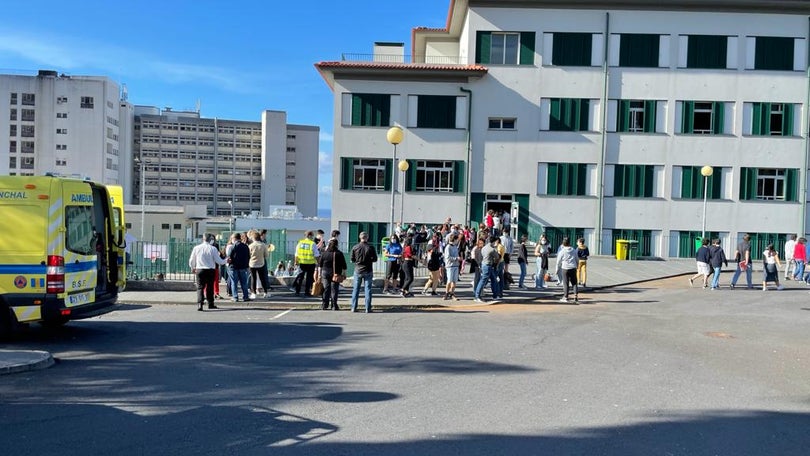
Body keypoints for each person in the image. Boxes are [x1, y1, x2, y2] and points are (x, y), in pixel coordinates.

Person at [188, 233, 227, 311]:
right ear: (210, 240)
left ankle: (200, 304)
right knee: (210, 287)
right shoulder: (213, 249)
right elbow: (218, 260)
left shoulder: (197, 248)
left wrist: (192, 267)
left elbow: (192, 260)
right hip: (210, 270)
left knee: (200, 287)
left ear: (203, 239)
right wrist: (226, 261)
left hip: (200, 269)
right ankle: (210, 303)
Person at [316, 238, 347, 310]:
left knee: (326, 288)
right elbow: (344, 266)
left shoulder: (324, 253)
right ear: (337, 245)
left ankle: (324, 305)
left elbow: (320, 265)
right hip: (336, 274)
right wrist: (344, 274)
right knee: (334, 289)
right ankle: (334, 305)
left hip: (325, 273)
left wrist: (319, 275)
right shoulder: (339, 253)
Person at [350, 231, 378, 313]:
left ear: (360, 237)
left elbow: (352, 259)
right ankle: (367, 308)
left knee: (356, 289)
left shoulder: (355, 247)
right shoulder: (371, 247)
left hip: (358, 270)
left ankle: (353, 307)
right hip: (368, 269)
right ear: (367, 238)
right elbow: (375, 259)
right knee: (368, 289)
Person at [474, 236, 502, 303]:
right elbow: (497, 257)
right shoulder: (492, 249)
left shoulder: (484, 247)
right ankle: (477, 296)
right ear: (494, 242)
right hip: (488, 266)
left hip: (484, 265)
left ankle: (495, 295)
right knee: (483, 280)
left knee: (493, 280)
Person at [227, 232, 251, 302]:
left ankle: (235, 297)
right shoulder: (246, 246)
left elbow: (229, 257)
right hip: (243, 267)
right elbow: (248, 256)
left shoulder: (233, 246)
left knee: (234, 282)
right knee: (244, 283)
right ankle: (245, 296)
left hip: (234, 267)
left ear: (234, 238)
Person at [293, 231, 318, 297]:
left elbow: (296, 254)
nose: (313, 237)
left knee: (300, 278)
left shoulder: (300, 243)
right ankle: (307, 292)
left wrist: (296, 262)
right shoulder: (312, 243)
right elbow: (316, 255)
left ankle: (297, 291)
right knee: (309, 278)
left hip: (302, 263)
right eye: (312, 236)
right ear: (309, 236)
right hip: (310, 263)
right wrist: (318, 262)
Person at [248, 231, 270, 299]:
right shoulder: (263, 245)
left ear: (253, 238)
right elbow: (266, 255)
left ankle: (253, 293)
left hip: (252, 264)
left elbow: (248, 255)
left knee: (253, 278)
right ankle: (265, 292)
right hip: (261, 263)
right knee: (262, 278)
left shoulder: (250, 246)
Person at [558, 237, 578, 303]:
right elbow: (576, 259)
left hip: (565, 268)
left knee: (565, 283)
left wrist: (558, 267)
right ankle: (575, 296)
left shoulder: (562, 251)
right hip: (573, 267)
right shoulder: (574, 250)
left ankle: (566, 296)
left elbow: (559, 260)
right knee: (574, 282)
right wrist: (577, 266)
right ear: (569, 243)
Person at [443, 234, 461, 300]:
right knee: (449, 280)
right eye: (457, 240)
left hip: (456, 265)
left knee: (454, 281)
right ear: (454, 240)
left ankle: (452, 293)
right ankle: (446, 293)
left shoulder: (455, 247)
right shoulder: (448, 247)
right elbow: (447, 257)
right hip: (450, 266)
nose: (457, 241)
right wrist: (456, 258)